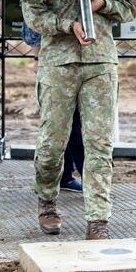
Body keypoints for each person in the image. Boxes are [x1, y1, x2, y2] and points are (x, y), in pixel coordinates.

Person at [20, 0, 136, 240]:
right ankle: (47, 201)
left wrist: (105, 5)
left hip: (100, 61)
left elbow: (130, 4)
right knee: (52, 143)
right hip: (58, 64)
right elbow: (32, 13)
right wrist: (64, 25)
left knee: (99, 144)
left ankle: (98, 221)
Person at [22, 22, 84, 192]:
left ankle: (67, 177)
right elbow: (33, 27)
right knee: (61, 124)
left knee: (74, 122)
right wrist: (37, 58)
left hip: (84, 62)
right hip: (55, 63)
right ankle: (75, 177)